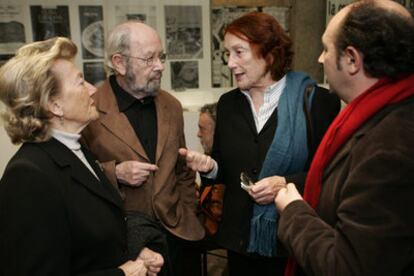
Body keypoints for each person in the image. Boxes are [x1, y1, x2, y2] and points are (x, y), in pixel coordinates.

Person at [179, 12, 340, 276]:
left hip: (293, 240)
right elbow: (225, 172)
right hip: (239, 242)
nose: (230, 63)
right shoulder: (228, 104)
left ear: (269, 54)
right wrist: (209, 167)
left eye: (239, 52)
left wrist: (285, 183)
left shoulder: (317, 102)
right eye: (227, 53)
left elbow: (330, 174)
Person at [0, 37, 163, 275]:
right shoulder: (27, 176)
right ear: (54, 105)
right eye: (80, 82)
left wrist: (136, 251)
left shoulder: (76, 152)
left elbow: (94, 238)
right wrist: (122, 274)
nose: (92, 89)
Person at [274, 1, 414, 275]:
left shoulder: (391, 147)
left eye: (326, 48)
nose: (320, 58)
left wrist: (293, 212)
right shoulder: (376, 115)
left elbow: (348, 265)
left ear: (351, 59)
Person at [81, 21, 204, 275]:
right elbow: (77, 181)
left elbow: (182, 170)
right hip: (124, 243)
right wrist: (116, 173)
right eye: (149, 59)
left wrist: (188, 213)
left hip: (177, 236)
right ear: (119, 63)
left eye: (161, 57)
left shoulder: (171, 105)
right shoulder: (88, 109)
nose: (159, 66)